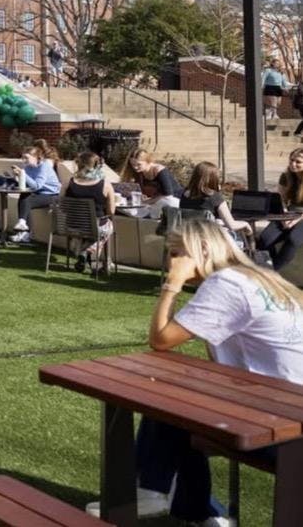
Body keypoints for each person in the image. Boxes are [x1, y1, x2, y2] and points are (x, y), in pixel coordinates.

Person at [85, 219, 303, 523]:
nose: (170, 262)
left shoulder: (226, 284)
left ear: (203, 249)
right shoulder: (260, 277)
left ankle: (152, 490)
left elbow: (161, 339)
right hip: (285, 408)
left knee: (171, 401)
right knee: (184, 405)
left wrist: (172, 285)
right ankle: (194, 509)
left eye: (177, 254)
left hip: (284, 428)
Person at [65, 151, 117, 274]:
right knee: (107, 226)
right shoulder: (105, 184)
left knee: (90, 232)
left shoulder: (69, 182)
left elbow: (62, 205)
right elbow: (111, 211)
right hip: (95, 227)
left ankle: (85, 256)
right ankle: (89, 254)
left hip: (73, 226)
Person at [180, 161, 251, 248]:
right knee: (241, 237)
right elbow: (231, 225)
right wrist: (246, 224)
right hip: (212, 241)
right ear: (212, 179)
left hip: (192, 239)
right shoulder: (214, 198)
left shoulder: (185, 195)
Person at [7, 140, 61, 243]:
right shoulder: (28, 167)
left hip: (51, 195)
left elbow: (36, 185)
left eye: (26, 158)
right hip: (38, 194)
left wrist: (23, 174)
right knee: (24, 197)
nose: (24, 160)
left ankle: (24, 229)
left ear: (36, 157)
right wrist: (17, 177)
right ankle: (23, 227)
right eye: (23, 158)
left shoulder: (44, 166)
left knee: (26, 199)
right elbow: (26, 184)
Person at [259, 147, 303, 270]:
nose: (293, 164)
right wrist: (284, 215)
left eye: (298, 162)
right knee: (265, 239)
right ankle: (268, 267)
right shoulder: (285, 176)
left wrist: (297, 218)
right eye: (291, 160)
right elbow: (281, 200)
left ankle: (273, 271)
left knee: (293, 240)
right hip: (289, 213)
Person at [121, 148, 182, 220]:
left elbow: (168, 194)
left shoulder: (159, 170)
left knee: (166, 202)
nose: (135, 167)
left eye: (139, 164)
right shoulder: (139, 172)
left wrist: (148, 201)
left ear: (148, 161)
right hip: (154, 200)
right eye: (133, 165)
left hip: (173, 199)